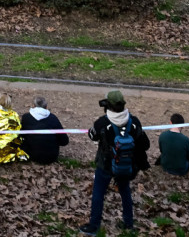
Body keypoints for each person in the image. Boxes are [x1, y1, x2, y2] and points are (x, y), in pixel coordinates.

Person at [81, 90, 150, 236]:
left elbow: (92, 136)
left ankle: (94, 226)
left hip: (105, 164)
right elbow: (145, 144)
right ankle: (128, 223)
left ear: (108, 105)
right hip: (126, 164)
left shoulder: (102, 122)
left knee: (98, 192)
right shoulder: (134, 122)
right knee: (125, 192)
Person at [19, 96, 69, 164]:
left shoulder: (26, 117)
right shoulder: (53, 118)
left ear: (33, 106)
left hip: (31, 155)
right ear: (46, 107)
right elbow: (64, 141)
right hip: (51, 156)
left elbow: (21, 135)